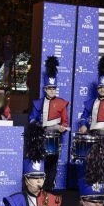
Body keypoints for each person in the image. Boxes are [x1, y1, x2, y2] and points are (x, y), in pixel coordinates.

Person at [29, 56, 70, 190]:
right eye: (49, 88)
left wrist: (62, 127)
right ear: (45, 89)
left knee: (52, 165)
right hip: (40, 139)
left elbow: (65, 122)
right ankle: (37, 189)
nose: (52, 91)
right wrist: (37, 125)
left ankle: (48, 190)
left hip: (54, 139)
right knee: (39, 165)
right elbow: (32, 119)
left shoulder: (61, 103)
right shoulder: (38, 103)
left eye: (54, 88)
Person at [77, 55, 104, 137]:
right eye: (100, 87)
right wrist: (83, 125)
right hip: (93, 135)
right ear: (97, 89)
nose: (102, 89)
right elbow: (84, 117)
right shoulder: (91, 103)